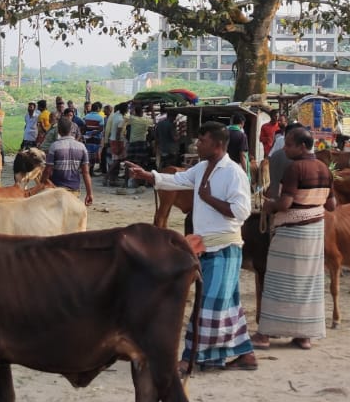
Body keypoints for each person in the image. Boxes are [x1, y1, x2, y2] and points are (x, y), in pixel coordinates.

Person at [125, 123, 256, 374]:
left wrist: (208, 199)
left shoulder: (234, 173)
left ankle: (191, 357)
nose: (198, 144)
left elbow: (241, 212)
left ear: (217, 144)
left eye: (202, 140)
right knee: (226, 303)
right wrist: (147, 175)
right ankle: (245, 354)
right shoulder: (202, 167)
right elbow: (178, 179)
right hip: (204, 245)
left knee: (208, 304)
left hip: (225, 247)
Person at [252, 127, 331, 350]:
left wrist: (270, 205)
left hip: (291, 232)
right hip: (315, 231)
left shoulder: (294, 168)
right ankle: (304, 336)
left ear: (302, 147)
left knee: (277, 282)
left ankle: (265, 334)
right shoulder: (324, 168)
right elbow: (332, 204)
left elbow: (285, 203)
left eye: (288, 145)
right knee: (308, 285)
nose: (284, 149)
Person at [47, 119, 96, 205]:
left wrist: (42, 182)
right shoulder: (82, 147)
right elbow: (86, 173)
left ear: (58, 130)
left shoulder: (54, 146)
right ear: (71, 129)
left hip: (56, 189)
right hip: (74, 190)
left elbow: (48, 171)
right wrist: (89, 193)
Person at [103, 103, 128, 184]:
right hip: (118, 141)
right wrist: (118, 145)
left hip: (112, 140)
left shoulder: (115, 116)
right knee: (118, 161)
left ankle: (111, 178)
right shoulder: (121, 119)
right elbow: (118, 133)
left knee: (116, 161)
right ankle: (108, 177)